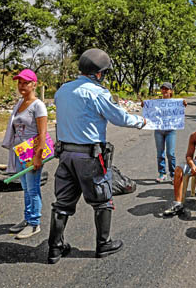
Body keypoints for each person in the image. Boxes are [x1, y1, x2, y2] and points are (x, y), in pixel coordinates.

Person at [48, 48, 147, 264]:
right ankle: (104, 244)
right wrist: (141, 121)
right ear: (99, 73)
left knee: (62, 203)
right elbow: (119, 118)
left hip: (65, 155)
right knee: (102, 200)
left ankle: (54, 248)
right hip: (89, 157)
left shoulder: (62, 90)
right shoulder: (97, 93)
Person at [1, 69, 47, 239]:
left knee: (33, 189)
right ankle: (28, 218)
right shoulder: (19, 103)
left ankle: (34, 223)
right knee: (26, 188)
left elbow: (42, 133)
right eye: (19, 82)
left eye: (26, 82)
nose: (22, 86)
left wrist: (38, 156)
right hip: (19, 151)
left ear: (34, 84)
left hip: (32, 151)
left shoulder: (38, 105)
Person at [144, 82, 187, 182]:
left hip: (170, 130)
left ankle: (173, 174)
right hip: (159, 130)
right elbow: (150, 109)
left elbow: (182, 107)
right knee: (160, 153)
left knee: (170, 153)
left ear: (171, 91)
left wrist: (184, 104)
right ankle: (162, 173)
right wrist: (145, 105)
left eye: (166, 89)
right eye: (163, 89)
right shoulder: (156, 102)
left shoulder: (176, 102)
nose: (164, 91)